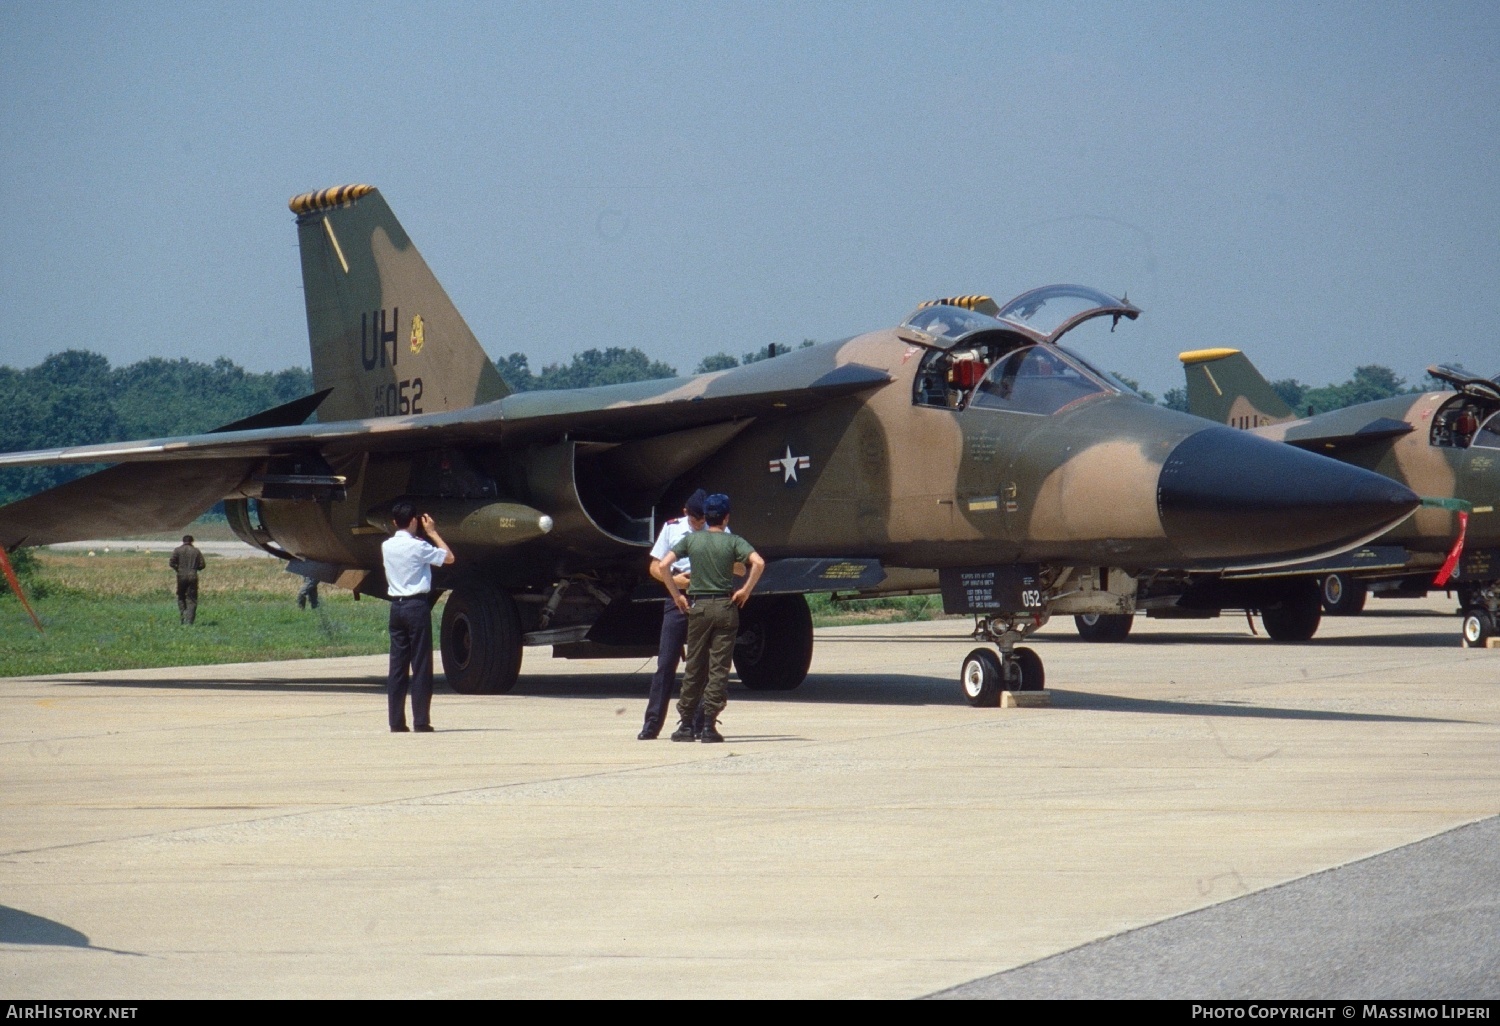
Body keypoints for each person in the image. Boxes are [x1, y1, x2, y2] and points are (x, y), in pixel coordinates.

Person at [656, 493, 765, 743]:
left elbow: (663, 566)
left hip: (699, 606)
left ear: (706, 516)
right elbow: (758, 563)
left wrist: (676, 596)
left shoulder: (692, 540)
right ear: (725, 518)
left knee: (694, 664)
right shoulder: (732, 541)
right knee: (719, 668)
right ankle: (707, 724)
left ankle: (685, 725)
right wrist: (745, 591)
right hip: (726, 607)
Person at [638, 490, 712, 740]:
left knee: (701, 663)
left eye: (702, 519)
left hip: (705, 595)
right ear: (685, 513)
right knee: (666, 662)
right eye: (694, 518)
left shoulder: (717, 528)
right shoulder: (671, 529)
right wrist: (675, 582)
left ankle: (696, 722)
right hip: (676, 593)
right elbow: (654, 567)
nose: (698, 523)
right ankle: (652, 723)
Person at [382, 500, 454, 733]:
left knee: (397, 666)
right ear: (414, 521)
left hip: (397, 607)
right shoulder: (419, 547)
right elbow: (449, 558)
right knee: (421, 665)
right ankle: (421, 720)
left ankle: (396, 721)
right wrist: (432, 532)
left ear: (395, 522)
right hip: (416, 606)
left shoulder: (387, 546)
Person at [168, 535, 206, 625]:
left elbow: (171, 562)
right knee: (192, 599)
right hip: (193, 576)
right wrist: (195, 568)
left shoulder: (177, 550)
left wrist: (178, 569)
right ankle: (189, 621)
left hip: (181, 576)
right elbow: (202, 565)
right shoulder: (196, 551)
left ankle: (183, 616)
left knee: (181, 596)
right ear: (192, 541)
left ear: (183, 541)